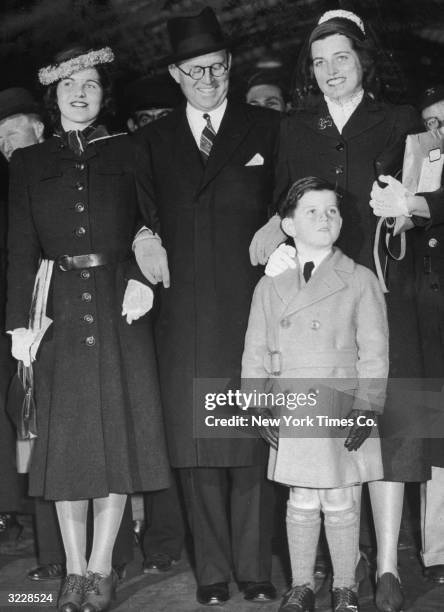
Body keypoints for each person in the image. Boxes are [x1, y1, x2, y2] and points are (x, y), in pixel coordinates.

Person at [250, 10, 428, 612]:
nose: (330, 71)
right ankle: (338, 567)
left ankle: (384, 569)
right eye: (319, 62)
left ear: (362, 61)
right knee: (321, 437)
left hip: (380, 290)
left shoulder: (400, 120)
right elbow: (282, 199)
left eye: (341, 59)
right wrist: (276, 236)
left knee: (386, 427)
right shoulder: (296, 127)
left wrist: (416, 204)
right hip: (317, 298)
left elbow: (428, 187)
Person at [6, 45, 170, 612]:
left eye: (93, 83)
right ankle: (73, 571)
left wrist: (138, 274)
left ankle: (101, 567)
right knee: (66, 447)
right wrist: (18, 327)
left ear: (104, 94)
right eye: (70, 84)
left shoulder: (132, 150)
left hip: (119, 310)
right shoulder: (28, 163)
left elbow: (151, 221)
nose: (81, 92)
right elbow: (21, 250)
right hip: (55, 316)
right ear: (53, 97)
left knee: (117, 441)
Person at [133, 6, 279, 606]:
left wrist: (281, 221)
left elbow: (300, 191)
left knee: (250, 445)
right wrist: (142, 237)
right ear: (175, 75)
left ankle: (255, 569)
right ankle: (213, 573)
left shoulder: (267, 129)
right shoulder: (151, 140)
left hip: (250, 312)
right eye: (194, 72)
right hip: (186, 316)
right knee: (196, 452)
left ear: (230, 65)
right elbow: (134, 212)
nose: (207, 80)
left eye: (216, 68)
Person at [243, 176, 388, 612]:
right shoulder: (270, 286)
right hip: (292, 403)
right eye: (312, 211)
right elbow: (253, 350)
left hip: (341, 403)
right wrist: (258, 404)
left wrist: (368, 407)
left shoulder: (360, 279)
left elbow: (376, 352)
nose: (325, 219)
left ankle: (345, 585)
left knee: (341, 495)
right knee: (301, 498)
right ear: (287, 225)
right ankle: (301, 585)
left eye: (332, 211)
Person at [370, 83, 444, 587]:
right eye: (432, 123)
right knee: (434, 432)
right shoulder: (421, 164)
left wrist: (415, 204)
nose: (439, 132)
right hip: (426, 316)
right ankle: (437, 549)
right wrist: (399, 222)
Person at [125, 73, 186, 574]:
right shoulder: (127, 160)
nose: (151, 128)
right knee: (160, 424)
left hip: (190, 301)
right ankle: (163, 537)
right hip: (145, 309)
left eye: (159, 118)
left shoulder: (179, 156)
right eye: (141, 119)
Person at [0, 87, 43, 548]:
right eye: (1, 139)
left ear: (39, 129)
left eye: (15, 131)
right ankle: (10, 506)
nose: (9, 144)